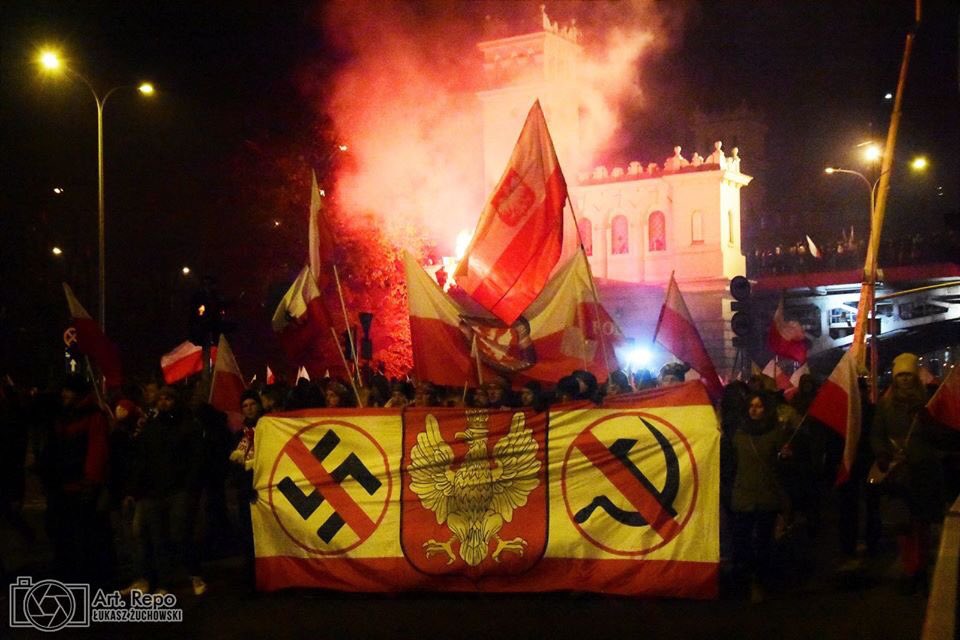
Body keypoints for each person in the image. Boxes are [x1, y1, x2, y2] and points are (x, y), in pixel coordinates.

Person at [123, 386, 206, 596]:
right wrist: (135, 488)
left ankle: (194, 573)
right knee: (157, 539)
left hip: (178, 489)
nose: (163, 402)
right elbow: (142, 459)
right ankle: (162, 584)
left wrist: (190, 486)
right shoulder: (151, 426)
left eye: (168, 398)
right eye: (160, 399)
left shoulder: (189, 426)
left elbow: (196, 458)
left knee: (180, 534)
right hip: (154, 490)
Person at [871, 353, 943, 594]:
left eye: (908, 375)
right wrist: (882, 455)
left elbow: (938, 436)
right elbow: (877, 434)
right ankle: (911, 568)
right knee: (902, 525)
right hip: (898, 472)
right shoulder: (885, 405)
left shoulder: (927, 403)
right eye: (900, 375)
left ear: (915, 377)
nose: (904, 380)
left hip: (923, 470)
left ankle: (919, 569)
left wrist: (926, 419)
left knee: (921, 524)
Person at [40, 376, 112, 586]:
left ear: (78, 394)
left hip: (80, 484)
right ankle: (68, 569)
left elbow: (97, 451)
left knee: (85, 532)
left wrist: (90, 482)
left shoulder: (93, 416)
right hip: (62, 483)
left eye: (68, 391)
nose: (64, 394)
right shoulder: (63, 414)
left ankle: (89, 575)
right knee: (62, 530)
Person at [725, 392, 788, 603]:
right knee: (741, 540)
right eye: (751, 405)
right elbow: (730, 464)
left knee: (763, 541)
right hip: (743, 493)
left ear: (766, 409)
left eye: (759, 406)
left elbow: (782, 467)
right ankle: (743, 580)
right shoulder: (738, 434)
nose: (754, 410)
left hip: (766, 494)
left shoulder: (775, 433)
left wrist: (786, 456)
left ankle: (761, 580)